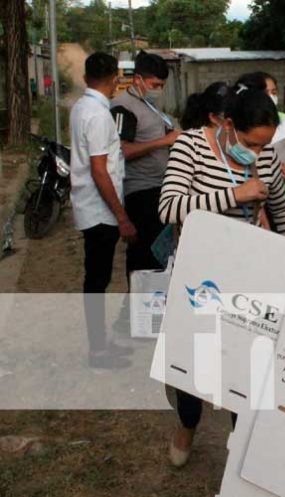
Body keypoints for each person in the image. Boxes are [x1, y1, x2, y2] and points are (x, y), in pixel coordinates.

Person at [159, 82, 285, 467]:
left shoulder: (267, 155)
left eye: (263, 145)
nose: (256, 153)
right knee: (192, 364)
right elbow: (170, 209)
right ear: (226, 124)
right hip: (196, 277)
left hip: (247, 277)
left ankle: (240, 448)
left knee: (244, 367)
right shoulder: (190, 146)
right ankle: (187, 423)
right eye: (250, 143)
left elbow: (282, 211)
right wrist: (234, 195)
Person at [69, 52, 136, 369]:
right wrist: (121, 216)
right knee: (97, 281)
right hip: (99, 211)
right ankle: (98, 351)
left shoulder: (84, 107)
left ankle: (101, 342)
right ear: (114, 79)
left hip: (92, 206)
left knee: (98, 279)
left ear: (86, 78)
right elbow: (99, 171)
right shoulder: (98, 115)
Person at [111, 51, 181, 278]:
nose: (158, 90)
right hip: (141, 191)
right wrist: (165, 141)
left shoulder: (149, 105)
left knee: (161, 254)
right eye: (154, 84)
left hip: (160, 188)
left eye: (162, 85)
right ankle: (137, 307)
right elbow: (122, 151)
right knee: (143, 256)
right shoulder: (123, 107)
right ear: (137, 79)